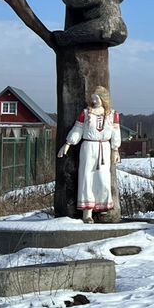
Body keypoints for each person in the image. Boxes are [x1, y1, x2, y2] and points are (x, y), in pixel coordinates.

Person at [58, 85, 122, 222]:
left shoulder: (112, 114)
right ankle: (87, 212)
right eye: (93, 98)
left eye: (97, 97)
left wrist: (115, 149)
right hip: (88, 147)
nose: (94, 100)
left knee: (103, 178)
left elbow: (116, 133)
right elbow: (78, 129)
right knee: (87, 177)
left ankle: (102, 206)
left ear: (103, 98)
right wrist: (68, 143)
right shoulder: (86, 113)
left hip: (104, 148)